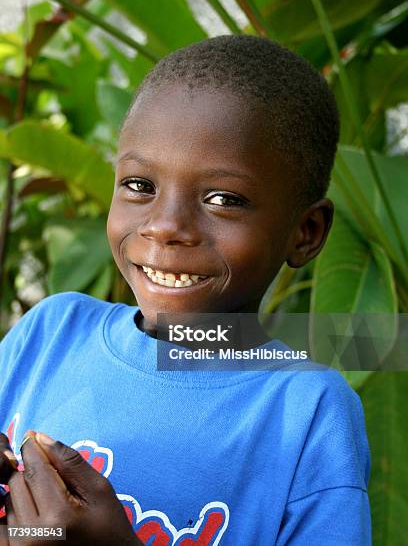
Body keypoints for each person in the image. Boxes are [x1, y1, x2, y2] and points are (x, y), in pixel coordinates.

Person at [0, 35, 371, 545]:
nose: (165, 226)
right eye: (139, 186)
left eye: (223, 198)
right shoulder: (51, 331)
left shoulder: (306, 413)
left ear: (305, 233)